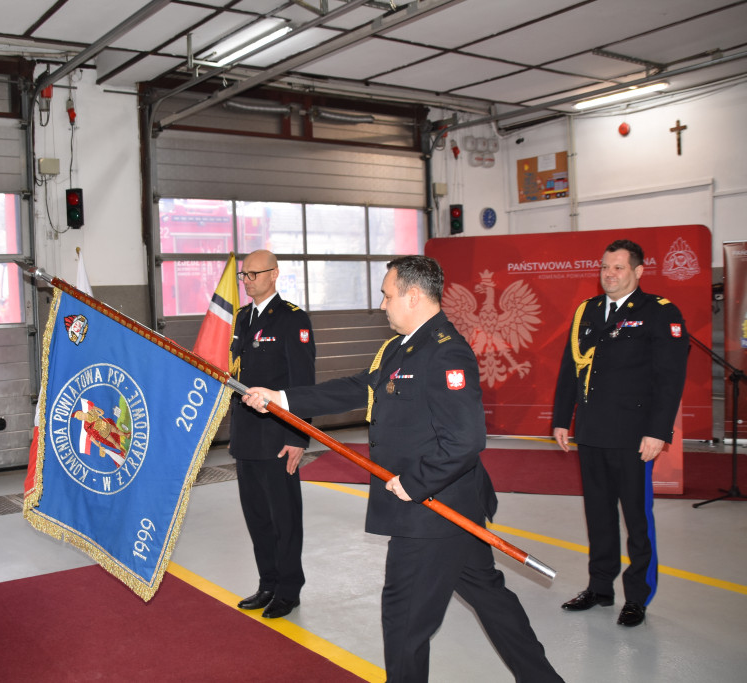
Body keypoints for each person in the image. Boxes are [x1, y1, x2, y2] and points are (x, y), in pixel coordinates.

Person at [244, 255, 562, 682]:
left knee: (404, 621)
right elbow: (358, 388)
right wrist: (281, 399)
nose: (382, 305)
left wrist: (416, 483)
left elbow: (466, 440)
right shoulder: (398, 347)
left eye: (387, 295)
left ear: (413, 296)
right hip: (451, 509)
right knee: (490, 598)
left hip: (430, 509)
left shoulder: (447, 353)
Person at [552, 239, 688, 628]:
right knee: (598, 515)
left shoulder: (659, 313)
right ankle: (600, 587)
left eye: (618, 268)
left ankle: (638, 596)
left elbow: (669, 379)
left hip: (634, 436)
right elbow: (569, 369)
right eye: (605, 268)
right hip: (592, 432)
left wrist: (657, 432)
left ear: (638, 272)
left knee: (637, 519)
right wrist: (563, 419)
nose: (609, 275)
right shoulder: (588, 312)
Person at [229, 249, 315, 620]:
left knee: (284, 519)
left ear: (274, 274)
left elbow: (303, 383)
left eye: (252, 274)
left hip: (279, 438)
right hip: (246, 436)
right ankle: (267, 583)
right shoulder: (242, 317)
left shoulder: (292, 319)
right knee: (258, 517)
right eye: (243, 275)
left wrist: (298, 437)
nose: (246, 281)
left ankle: (288, 589)